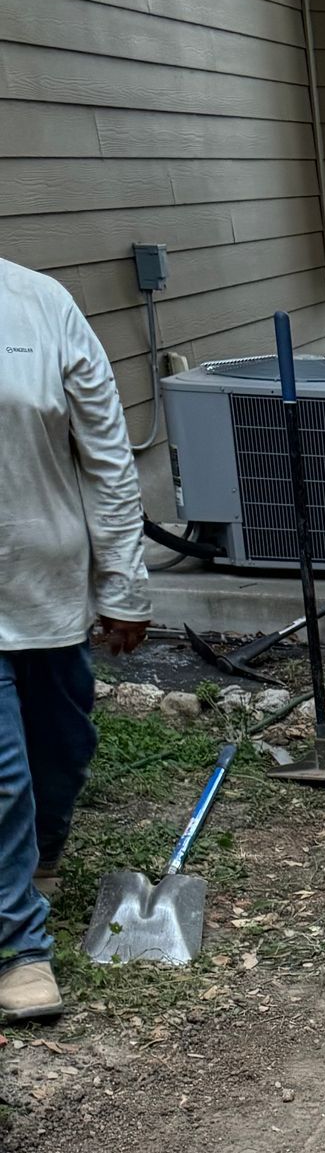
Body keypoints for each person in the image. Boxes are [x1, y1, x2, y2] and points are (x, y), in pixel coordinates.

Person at [0, 255, 153, 1024]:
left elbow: (106, 456)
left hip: (46, 583)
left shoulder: (40, 304)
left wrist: (121, 585)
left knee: (61, 751)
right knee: (3, 777)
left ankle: (42, 852)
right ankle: (20, 949)